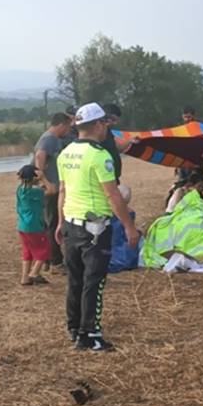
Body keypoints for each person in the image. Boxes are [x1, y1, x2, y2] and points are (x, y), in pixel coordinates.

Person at [56, 103, 140, 352]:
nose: (106, 127)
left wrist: (60, 222)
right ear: (96, 125)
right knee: (94, 281)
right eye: (104, 122)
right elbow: (113, 195)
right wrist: (128, 227)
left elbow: (63, 190)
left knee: (75, 279)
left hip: (72, 223)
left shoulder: (66, 153)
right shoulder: (99, 155)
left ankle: (74, 327)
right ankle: (90, 334)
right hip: (95, 228)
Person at [33, 112, 74, 267]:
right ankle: (55, 261)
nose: (69, 131)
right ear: (61, 125)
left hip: (52, 186)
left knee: (49, 223)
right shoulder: (49, 139)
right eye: (68, 127)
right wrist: (44, 182)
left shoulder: (54, 139)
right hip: (49, 189)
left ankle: (48, 259)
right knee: (52, 223)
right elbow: (39, 157)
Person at [15, 165, 51, 286]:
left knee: (28, 251)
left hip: (22, 225)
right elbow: (51, 190)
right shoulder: (36, 191)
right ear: (34, 177)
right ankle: (34, 273)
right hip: (35, 226)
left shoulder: (20, 190)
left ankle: (25, 277)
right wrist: (43, 178)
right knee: (44, 249)